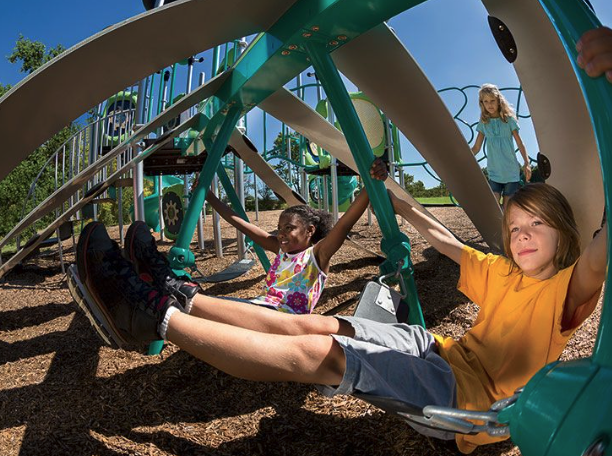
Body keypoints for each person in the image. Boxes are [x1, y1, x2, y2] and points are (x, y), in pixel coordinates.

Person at [74, 29, 611, 454]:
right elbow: (444, 239)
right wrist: (395, 198)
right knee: (314, 323)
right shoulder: (503, 270)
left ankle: (152, 317)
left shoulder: (569, 288)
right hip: (441, 351)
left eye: (534, 226)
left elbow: (602, 249)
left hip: (472, 403)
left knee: (322, 354)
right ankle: (178, 295)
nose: (520, 237)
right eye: (514, 227)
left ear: (565, 234)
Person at [123, 169, 382, 315]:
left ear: (310, 231)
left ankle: (157, 282)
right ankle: (150, 288)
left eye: (289, 228)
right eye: (279, 229)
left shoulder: (317, 255)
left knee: (205, 305)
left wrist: (371, 183)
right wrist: (209, 197)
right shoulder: (280, 250)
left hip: (284, 320)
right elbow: (239, 222)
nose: (281, 234)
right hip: (261, 309)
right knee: (205, 307)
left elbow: (345, 223)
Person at [471, 83, 531, 210]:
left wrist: (527, 163)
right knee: (494, 206)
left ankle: (506, 229)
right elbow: (476, 147)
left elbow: (520, 143)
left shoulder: (508, 120)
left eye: (492, 100)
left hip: (511, 172)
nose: (489, 104)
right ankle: (496, 229)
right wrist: (463, 158)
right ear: (482, 103)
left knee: (507, 207)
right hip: (494, 172)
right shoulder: (484, 123)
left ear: (499, 100)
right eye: (485, 101)